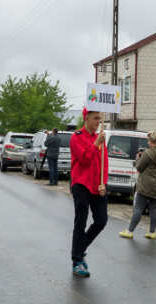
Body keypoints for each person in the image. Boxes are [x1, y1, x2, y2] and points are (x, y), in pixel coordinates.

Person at [69, 108, 108, 277]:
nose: (98, 122)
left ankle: (80, 248)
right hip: (82, 185)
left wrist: (103, 183)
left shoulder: (100, 138)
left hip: (96, 186)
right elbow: (84, 159)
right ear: (86, 118)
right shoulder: (76, 137)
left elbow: (104, 162)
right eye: (95, 118)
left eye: (100, 118)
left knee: (101, 220)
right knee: (80, 223)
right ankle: (77, 261)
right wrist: (96, 143)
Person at [119, 131, 156, 240]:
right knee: (154, 209)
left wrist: (138, 158)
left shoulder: (147, 153)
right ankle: (152, 232)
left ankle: (130, 231)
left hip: (146, 185)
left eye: (148, 140)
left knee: (138, 208)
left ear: (150, 141)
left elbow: (139, 167)